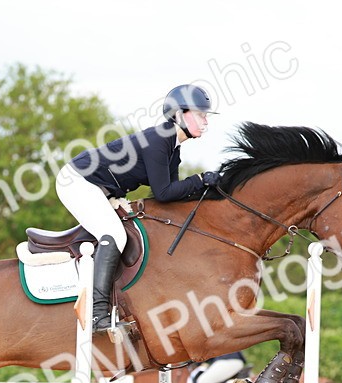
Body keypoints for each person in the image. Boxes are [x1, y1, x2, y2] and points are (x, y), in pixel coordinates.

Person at [55, 84, 221, 334]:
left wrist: (209, 190)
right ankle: (96, 315)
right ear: (179, 114)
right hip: (78, 181)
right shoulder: (159, 140)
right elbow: (164, 193)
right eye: (200, 114)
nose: (206, 121)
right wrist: (199, 180)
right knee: (115, 235)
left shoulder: (173, 147)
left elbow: (172, 196)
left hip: (102, 189)